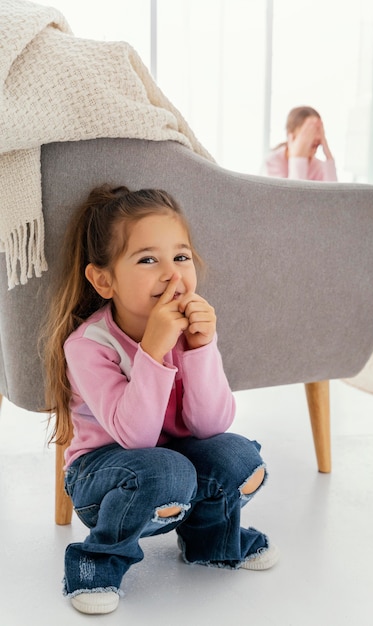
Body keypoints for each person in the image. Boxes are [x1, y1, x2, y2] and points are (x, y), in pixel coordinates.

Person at [42, 184, 278, 615]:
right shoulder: (89, 345)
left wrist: (201, 349)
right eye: (149, 260)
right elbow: (135, 437)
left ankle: (211, 541)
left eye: (181, 257)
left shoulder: (188, 330)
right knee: (166, 469)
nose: (172, 274)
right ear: (104, 280)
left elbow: (211, 427)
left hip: (173, 469)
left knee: (239, 458)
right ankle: (96, 564)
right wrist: (152, 352)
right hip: (105, 479)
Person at [265, 105, 337, 181]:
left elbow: (332, 191)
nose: (317, 137)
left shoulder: (317, 166)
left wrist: (328, 156)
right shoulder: (272, 162)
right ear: (291, 136)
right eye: (310, 130)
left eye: (319, 130)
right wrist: (298, 157)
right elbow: (295, 191)